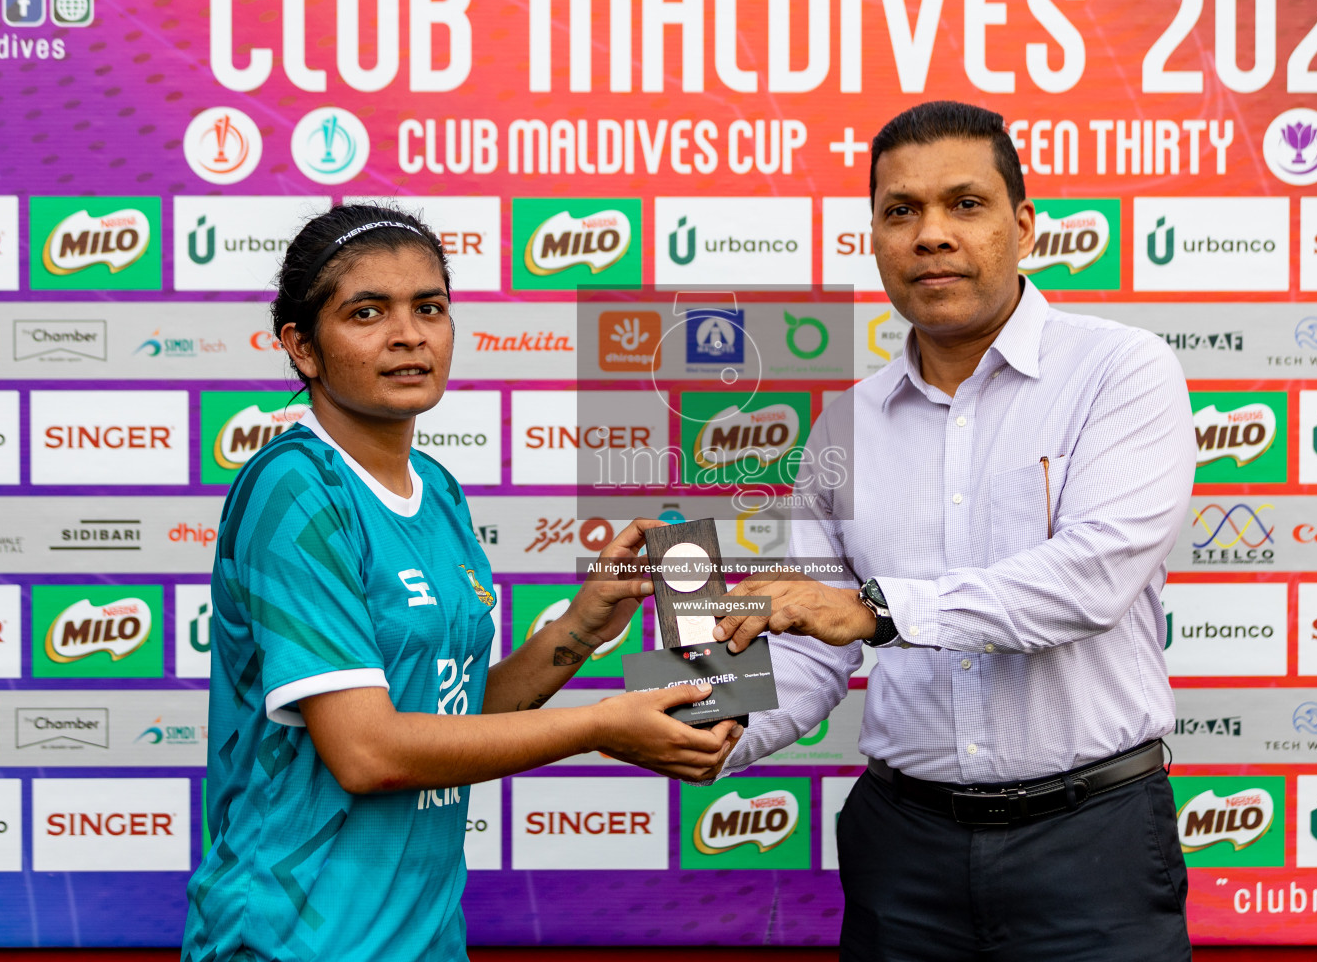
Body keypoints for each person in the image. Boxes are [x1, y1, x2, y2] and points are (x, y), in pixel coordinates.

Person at [181, 203, 740, 962]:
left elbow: (450, 714)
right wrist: (600, 725)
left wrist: (581, 627)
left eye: (430, 308)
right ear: (303, 348)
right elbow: (371, 752)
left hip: (426, 940)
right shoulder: (295, 490)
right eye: (367, 312)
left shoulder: (436, 488)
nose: (409, 334)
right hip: (294, 942)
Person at [706, 102, 1197, 960]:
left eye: (964, 204)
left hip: (1093, 845)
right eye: (901, 211)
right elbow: (811, 651)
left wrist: (874, 610)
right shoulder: (843, 426)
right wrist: (708, 723)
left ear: (1026, 224)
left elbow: (1088, 580)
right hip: (904, 851)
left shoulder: (1120, 371)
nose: (931, 234)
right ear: (874, 238)